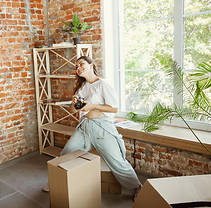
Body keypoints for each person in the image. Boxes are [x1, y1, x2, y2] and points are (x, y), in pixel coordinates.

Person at [43, 56, 142, 200]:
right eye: (76, 66)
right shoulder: (82, 87)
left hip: (102, 128)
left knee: (117, 162)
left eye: (81, 64)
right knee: (67, 153)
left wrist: (92, 106)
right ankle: (56, 181)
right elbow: (73, 111)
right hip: (84, 128)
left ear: (91, 65)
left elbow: (114, 108)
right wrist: (73, 102)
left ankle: (137, 187)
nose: (78, 68)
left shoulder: (103, 84)